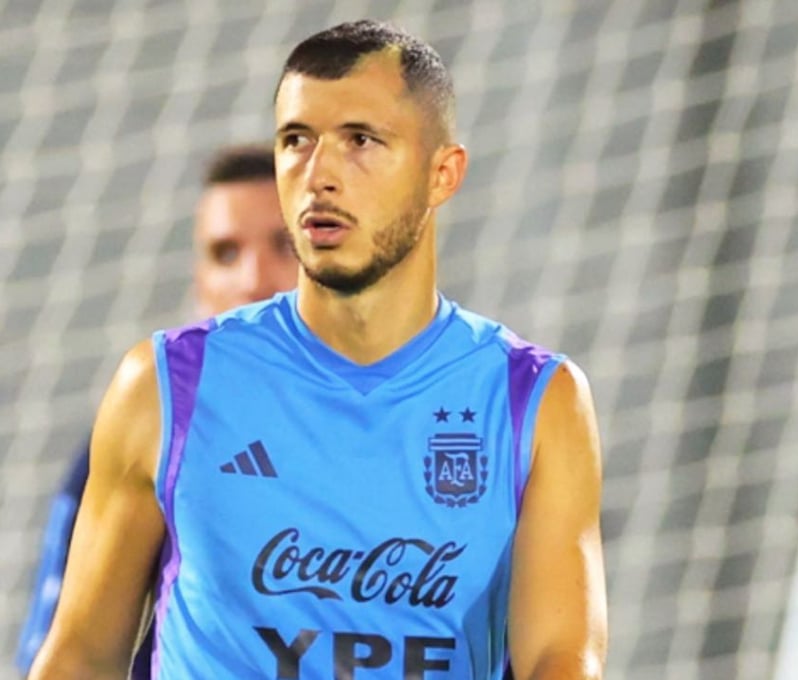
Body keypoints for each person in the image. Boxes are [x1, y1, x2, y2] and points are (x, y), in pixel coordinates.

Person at [30, 19, 607, 680]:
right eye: (297, 141)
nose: (319, 175)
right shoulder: (163, 388)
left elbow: (560, 660)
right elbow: (77, 656)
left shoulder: (535, 401)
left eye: (361, 140)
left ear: (442, 174)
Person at [15, 143, 297, 678]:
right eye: (225, 253)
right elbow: (65, 649)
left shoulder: (435, 426)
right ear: (199, 280)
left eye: (283, 245)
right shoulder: (150, 440)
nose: (253, 279)